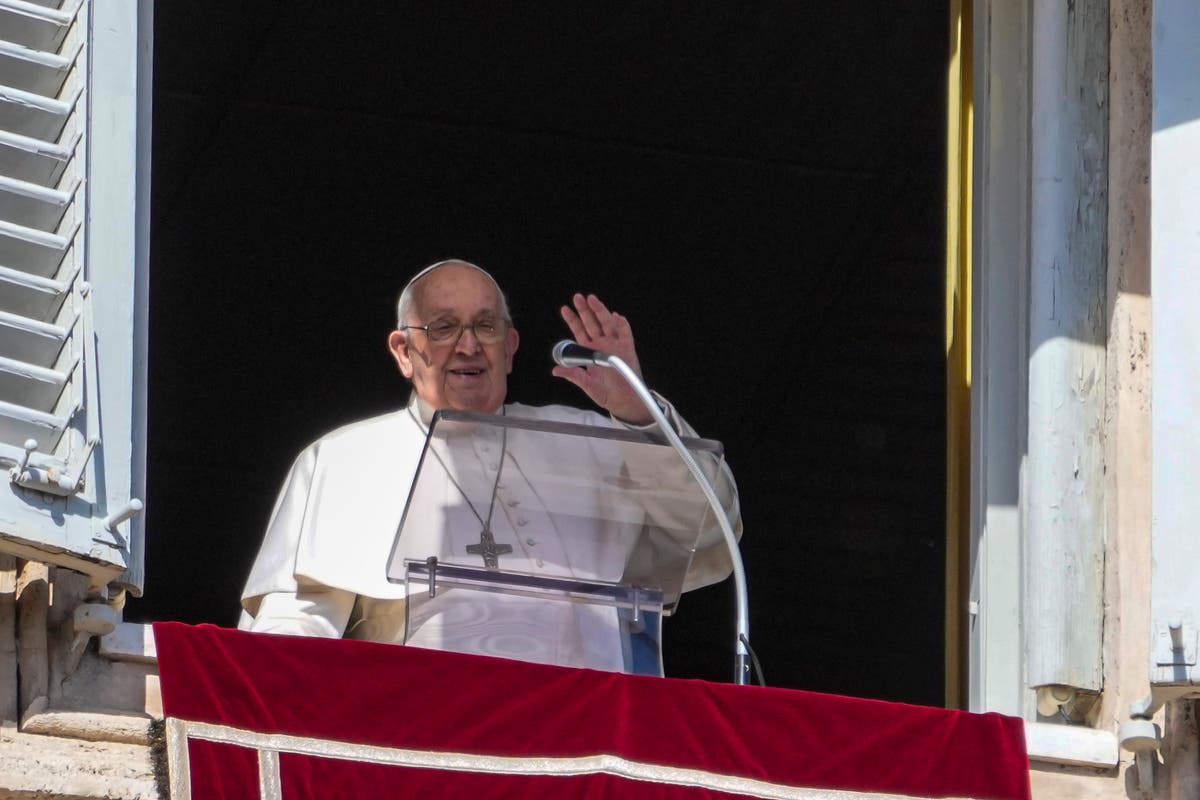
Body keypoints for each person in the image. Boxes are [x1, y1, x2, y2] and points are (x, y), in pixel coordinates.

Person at [239, 259, 740, 672]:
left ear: (511, 347)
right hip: (429, 741)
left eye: (485, 325)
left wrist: (636, 410)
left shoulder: (591, 439)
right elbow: (295, 622)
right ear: (404, 351)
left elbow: (709, 526)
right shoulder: (345, 458)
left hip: (590, 740)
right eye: (443, 327)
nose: (468, 344)